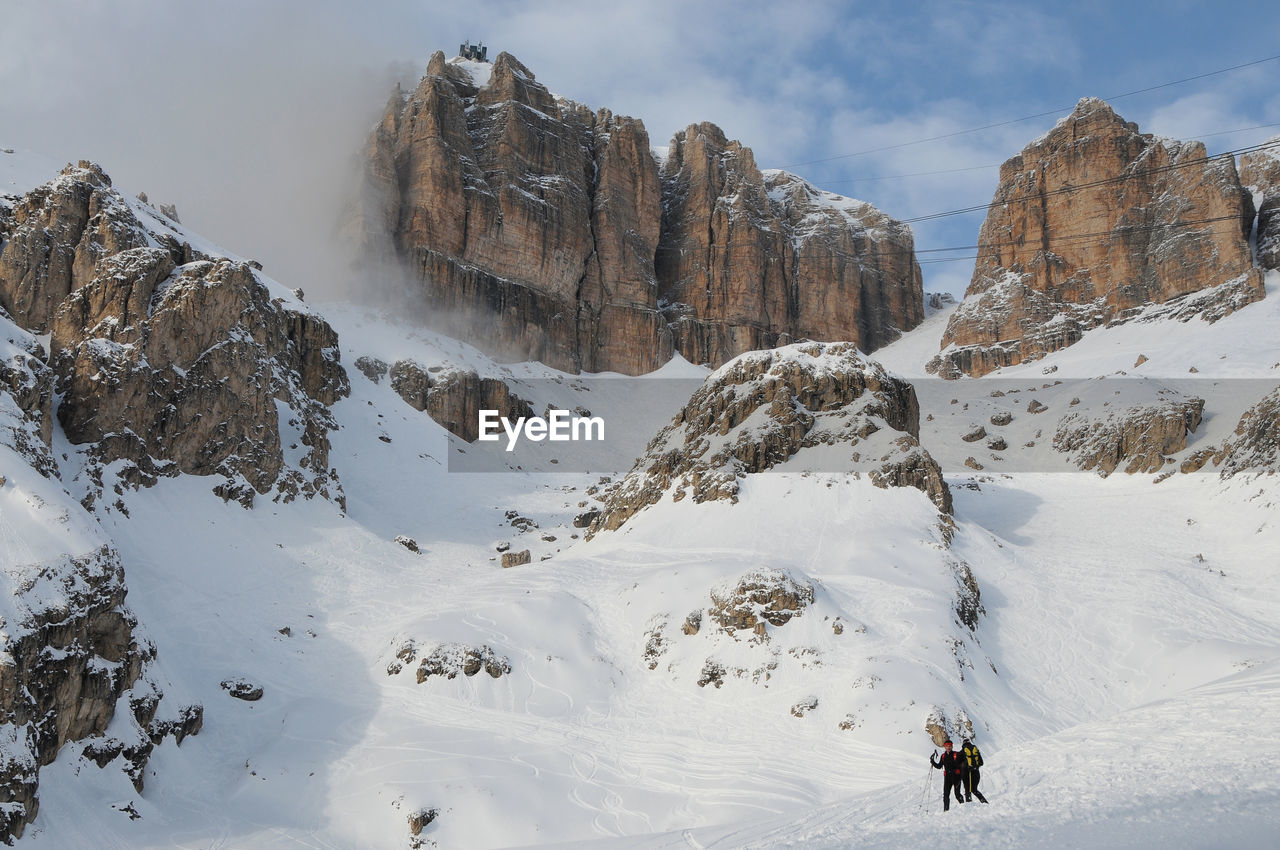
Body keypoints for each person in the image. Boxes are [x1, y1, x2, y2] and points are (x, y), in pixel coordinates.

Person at [929, 740, 966, 811]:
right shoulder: (943, 756)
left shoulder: (956, 754)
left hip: (956, 777)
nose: (948, 747)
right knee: (946, 795)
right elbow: (939, 766)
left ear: (952, 746)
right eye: (947, 746)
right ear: (945, 747)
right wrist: (932, 761)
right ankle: (946, 811)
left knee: (957, 795)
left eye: (950, 746)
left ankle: (964, 807)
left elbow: (963, 761)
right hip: (947, 778)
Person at [961, 738, 988, 803]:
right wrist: (975, 767)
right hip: (976, 773)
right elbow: (981, 762)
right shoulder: (975, 749)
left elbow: (958, 762)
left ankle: (969, 804)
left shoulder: (963, 751)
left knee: (968, 790)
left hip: (967, 774)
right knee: (974, 789)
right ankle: (984, 802)